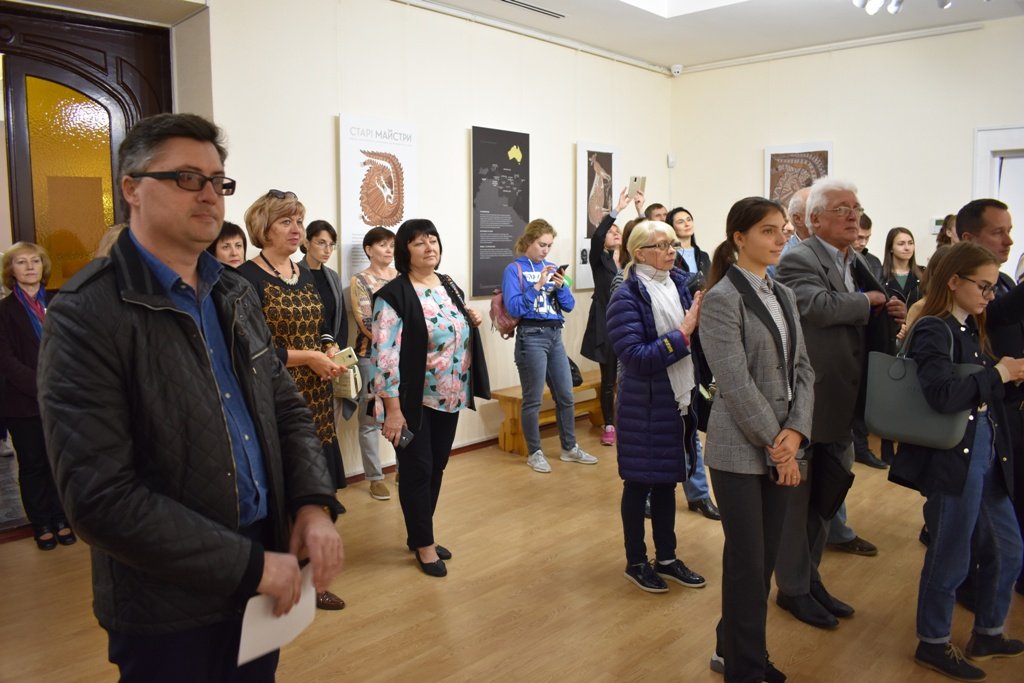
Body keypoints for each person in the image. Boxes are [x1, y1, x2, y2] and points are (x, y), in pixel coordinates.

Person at [38, 113, 343, 682]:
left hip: (263, 563)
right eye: (186, 178)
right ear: (132, 188)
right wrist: (248, 565)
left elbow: (284, 407)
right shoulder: (87, 312)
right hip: (166, 597)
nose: (209, 195)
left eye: (218, 181)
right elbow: (99, 496)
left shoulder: (236, 293)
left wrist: (310, 502)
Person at [774, 176, 905, 629]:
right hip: (812, 400)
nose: (853, 216)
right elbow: (815, 306)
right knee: (799, 504)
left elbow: (866, 306)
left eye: (856, 208)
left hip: (845, 400)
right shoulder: (799, 257)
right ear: (815, 219)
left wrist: (888, 308)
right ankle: (793, 589)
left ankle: (811, 579)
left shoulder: (858, 260)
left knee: (827, 498)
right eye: (842, 209)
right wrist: (868, 302)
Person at [891, 241, 1024, 682]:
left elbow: (975, 387)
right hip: (955, 457)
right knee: (951, 552)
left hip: (984, 449)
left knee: (1008, 546)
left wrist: (1005, 377)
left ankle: (988, 631)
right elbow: (943, 395)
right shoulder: (935, 328)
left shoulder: (968, 327)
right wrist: (1000, 373)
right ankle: (932, 642)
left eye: (992, 287)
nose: (990, 295)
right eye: (983, 286)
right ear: (953, 281)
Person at [701, 197, 814, 683]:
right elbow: (735, 382)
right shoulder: (722, 299)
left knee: (763, 560)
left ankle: (730, 646)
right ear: (739, 238)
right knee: (747, 563)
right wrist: (778, 445)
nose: (780, 238)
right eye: (769, 230)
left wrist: (797, 431)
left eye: (783, 229)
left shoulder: (783, 293)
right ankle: (745, 669)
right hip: (740, 448)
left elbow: (803, 369)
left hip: (783, 441)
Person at [238, 190, 347, 612]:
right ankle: (284, 577)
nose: (296, 229)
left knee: (316, 483)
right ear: (263, 229)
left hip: (316, 393)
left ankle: (314, 577)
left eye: (299, 221)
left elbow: (321, 325)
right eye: (286, 221)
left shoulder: (304, 273)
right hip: (274, 396)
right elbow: (253, 351)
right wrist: (310, 358)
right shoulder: (245, 278)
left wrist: (328, 348)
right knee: (283, 489)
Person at [371, 219, 489, 577]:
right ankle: (424, 544)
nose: (429, 247)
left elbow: (455, 329)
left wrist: (471, 319)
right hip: (412, 402)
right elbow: (385, 357)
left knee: (436, 466)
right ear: (405, 250)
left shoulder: (449, 284)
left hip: (450, 396)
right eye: (419, 242)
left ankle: (420, 533)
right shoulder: (393, 295)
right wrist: (393, 411)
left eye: (433, 240)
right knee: (416, 471)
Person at [606, 219, 706, 594]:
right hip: (643, 404)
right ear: (639, 253)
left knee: (667, 482)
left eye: (673, 244)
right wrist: (683, 333)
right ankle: (636, 562)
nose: (670, 251)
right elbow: (635, 357)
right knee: (638, 484)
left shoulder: (679, 284)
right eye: (662, 245)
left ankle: (666, 558)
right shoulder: (626, 296)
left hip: (677, 398)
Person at [957, 198, 1024, 602]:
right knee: (981, 519)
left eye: (1009, 231)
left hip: (1010, 407)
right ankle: (976, 589)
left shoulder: (1006, 282)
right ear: (969, 238)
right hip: (984, 415)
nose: (1009, 240)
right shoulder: (961, 290)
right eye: (998, 232)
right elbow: (994, 315)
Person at [502, 218, 596, 474]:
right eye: (541, 245)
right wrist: (537, 286)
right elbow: (515, 307)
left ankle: (569, 448)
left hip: (555, 335)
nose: (545, 250)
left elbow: (569, 306)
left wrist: (560, 287)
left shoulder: (552, 267)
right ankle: (535, 452)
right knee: (532, 399)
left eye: (549, 246)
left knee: (566, 395)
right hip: (531, 336)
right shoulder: (514, 269)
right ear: (529, 241)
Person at [0, 242, 74, 551]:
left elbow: (74, 347)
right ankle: (42, 522)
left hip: (62, 399)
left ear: (43, 267)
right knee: (32, 464)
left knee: (60, 463)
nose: (30, 267)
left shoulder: (60, 302)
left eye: (35, 261)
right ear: (11, 270)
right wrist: (42, 386)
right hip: (24, 402)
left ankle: (62, 517)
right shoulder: (4, 310)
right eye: (21, 262)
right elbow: (6, 360)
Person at [666, 204, 720, 521]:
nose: (669, 251)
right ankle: (650, 494)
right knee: (660, 436)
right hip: (661, 365)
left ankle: (698, 494)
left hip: (692, 358)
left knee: (690, 430)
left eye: (671, 246)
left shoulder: (700, 260)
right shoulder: (634, 285)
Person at [351, 227, 397, 500]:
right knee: (369, 419)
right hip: (370, 356)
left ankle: (404, 469)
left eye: (392, 245)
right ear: (369, 249)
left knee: (401, 413)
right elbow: (367, 323)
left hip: (402, 357)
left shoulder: (402, 277)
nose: (389, 250)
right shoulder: (361, 280)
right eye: (382, 244)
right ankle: (375, 477)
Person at [581, 187, 629, 447]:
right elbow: (598, 234)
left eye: (618, 230)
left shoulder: (631, 261)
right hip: (607, 325)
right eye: (612, 231)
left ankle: (629, 420)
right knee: (609, 378)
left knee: (629, 377)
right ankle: (609, 424)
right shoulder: (600, 260)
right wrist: (617, 210)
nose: (615, 232)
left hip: (630, 323)